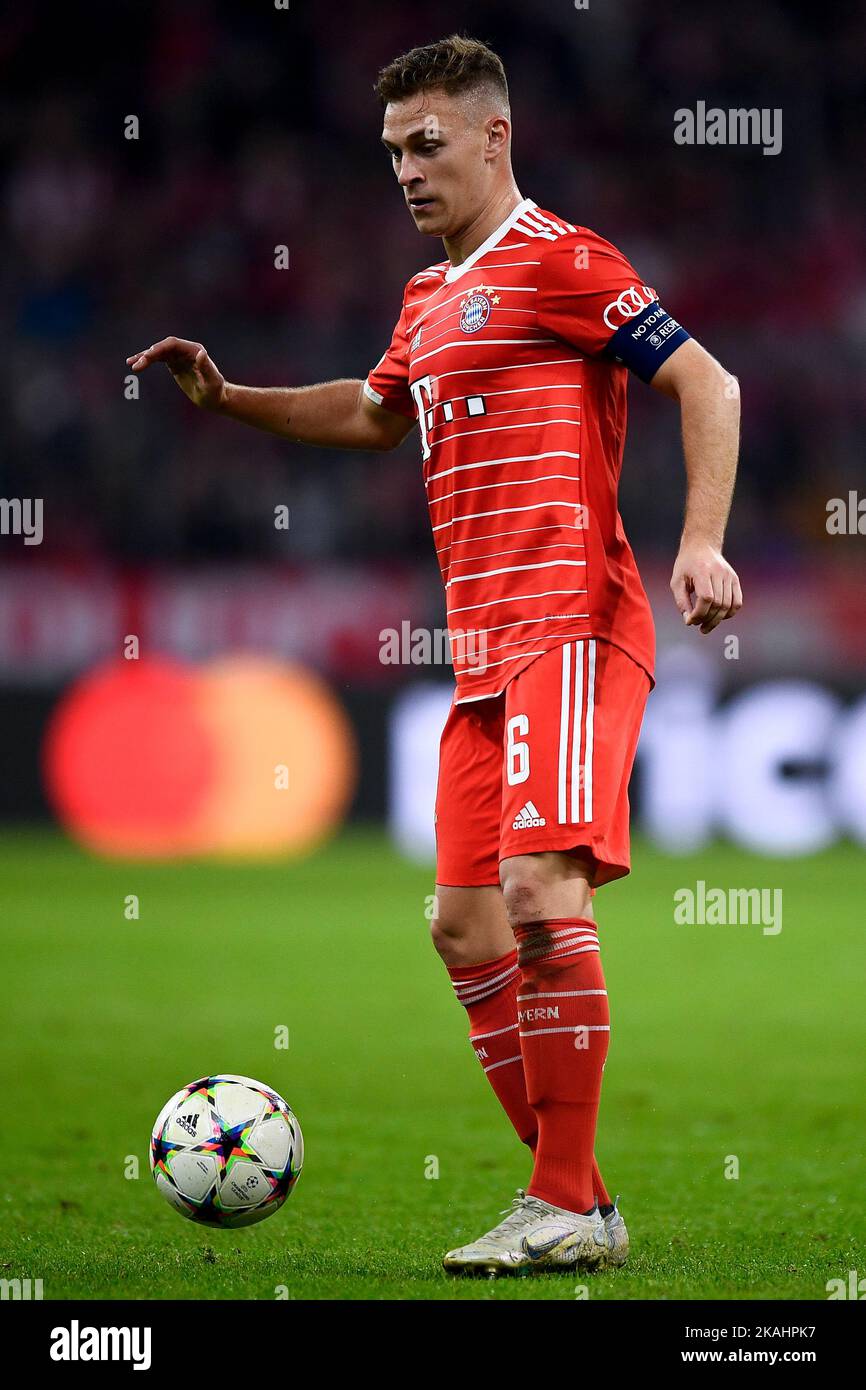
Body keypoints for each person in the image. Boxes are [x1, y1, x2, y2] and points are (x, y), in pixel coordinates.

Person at [127, 32, 742, 1276]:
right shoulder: (426, 297)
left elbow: (709, 383)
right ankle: (579, 1202)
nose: (406, 169)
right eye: (392, 151)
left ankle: (557, 1201)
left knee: (539, 895)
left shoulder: (562, 260)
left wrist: (699, 543)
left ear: (492, 136)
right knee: (463, 930)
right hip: (479, 654)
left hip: (570, 623)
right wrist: (231, 397)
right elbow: (371, 412)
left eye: (427, 143)